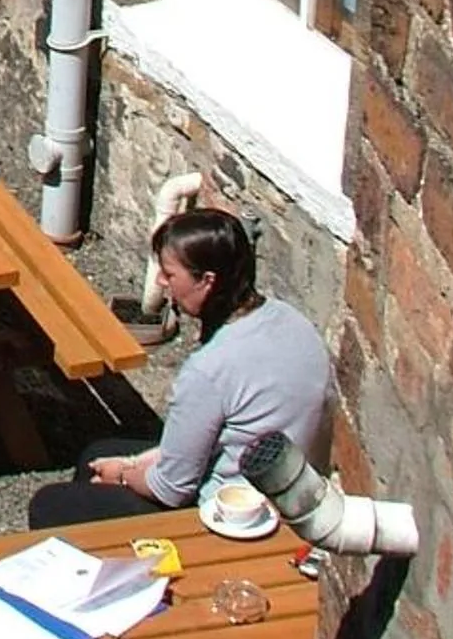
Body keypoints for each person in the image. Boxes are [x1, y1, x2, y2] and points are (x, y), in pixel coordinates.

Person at [27, 207, 333, 528]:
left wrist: (121, 475)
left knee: (51, 504)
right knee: (97, 454)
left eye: (170, 274)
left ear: (207, 281)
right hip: (292, 487)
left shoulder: (209, 369)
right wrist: (133, 464)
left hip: (235, 516)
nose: (161, 282)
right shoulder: (290, 320)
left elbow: (171, 490)